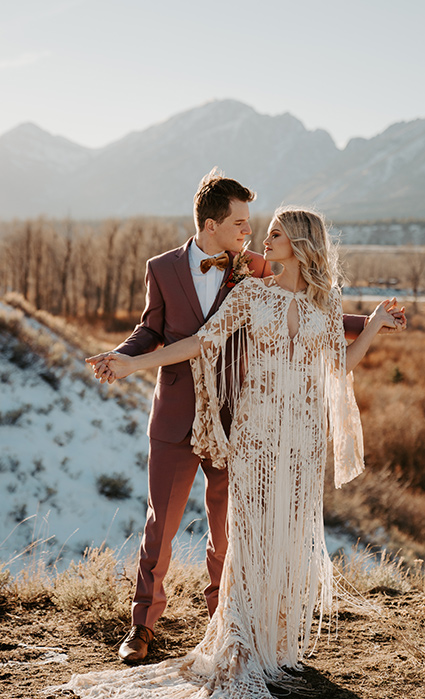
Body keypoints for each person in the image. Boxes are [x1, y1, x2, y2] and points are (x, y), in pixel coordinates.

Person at [4, 206, 405, 699]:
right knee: (250, 536)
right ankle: (239, 637)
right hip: (256, 437)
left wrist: (370, 325)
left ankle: (274, 641)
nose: (265, 237)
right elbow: (197, 343)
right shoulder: (250, 293)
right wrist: (132, 363)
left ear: (302, 243)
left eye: (277, 233)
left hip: (301, 442)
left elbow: (340, 365)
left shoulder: (324, 306)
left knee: (287, 534)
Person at [85, 170, 404, 665]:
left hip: (269, 427)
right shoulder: (193, 276)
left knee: (250, 532)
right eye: (244, 223)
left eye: (266, 229)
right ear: (212, 223)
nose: (254, 235)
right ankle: (151, 626)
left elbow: (327, 338)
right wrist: (127, 362)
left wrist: (374, 322)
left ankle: (242, 626)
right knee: (175, 526)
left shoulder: (264, 275)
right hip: (205, 420)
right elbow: (175, 337)